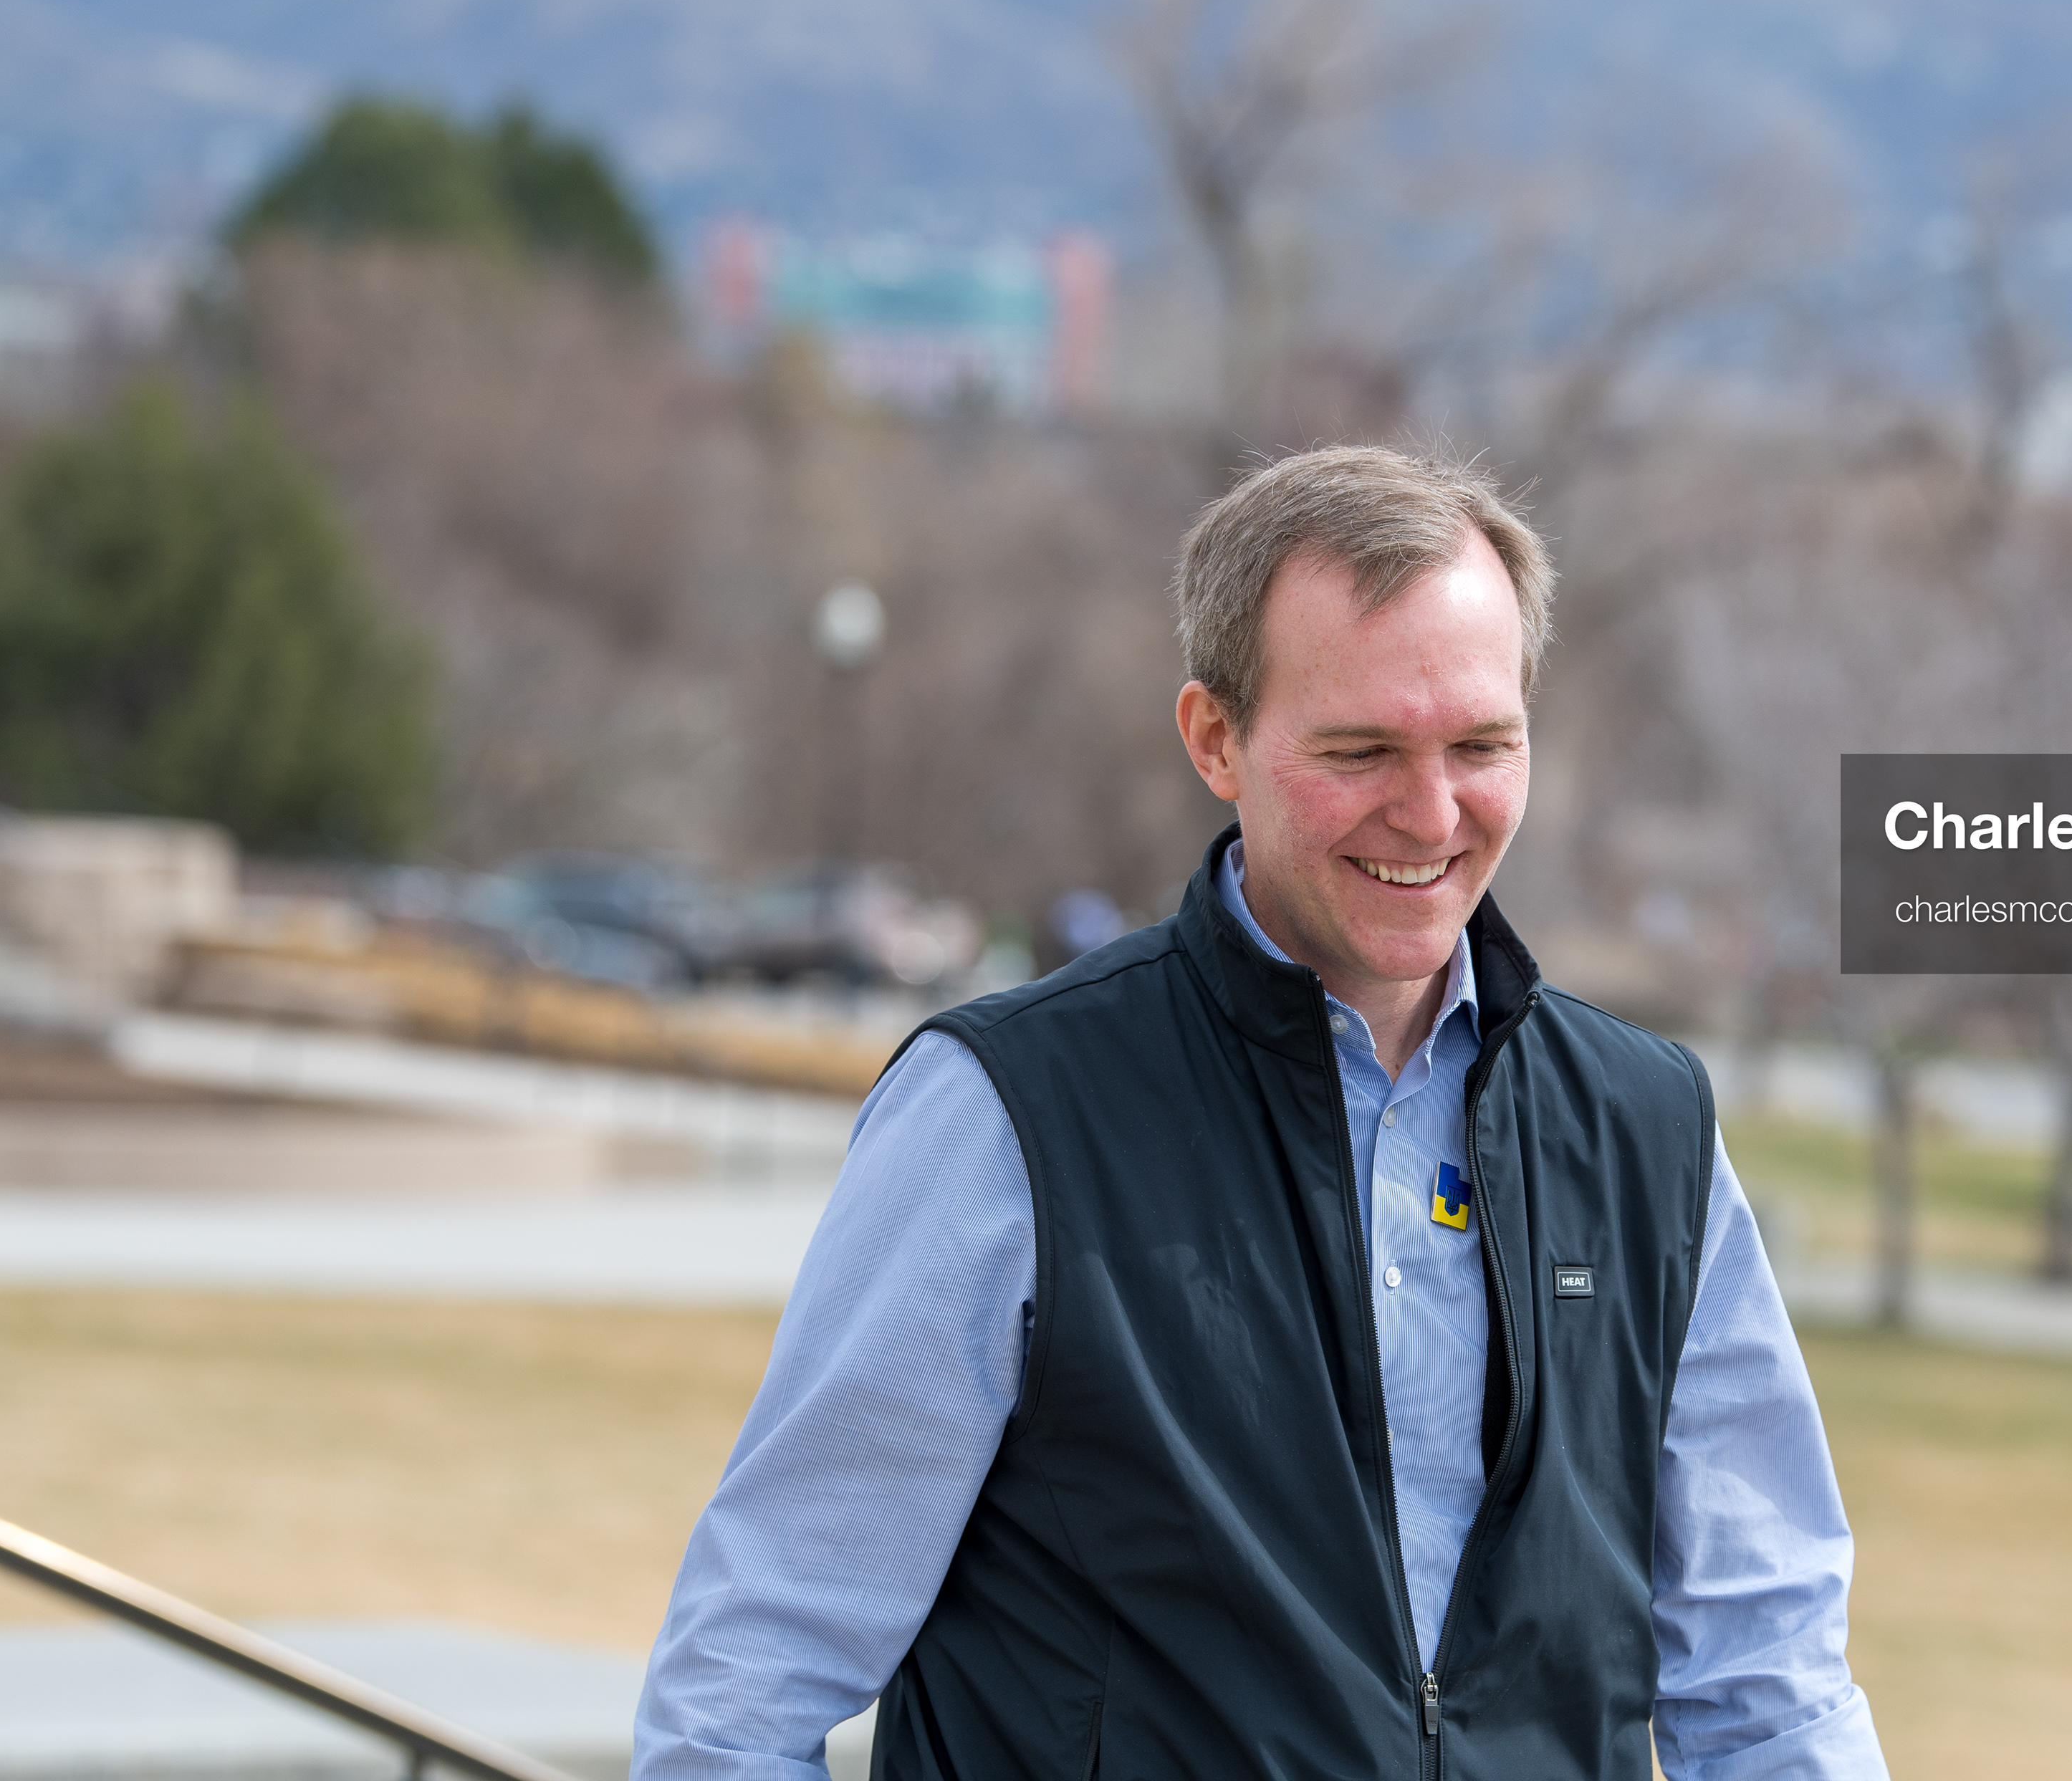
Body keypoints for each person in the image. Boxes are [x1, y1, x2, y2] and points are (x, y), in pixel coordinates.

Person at [633, 446, 1886, 1780]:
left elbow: (1769, 1687)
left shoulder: (1649, 1132)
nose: (1432, 812)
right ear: (1214, 738)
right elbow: (743, 1690)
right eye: (1362, 751)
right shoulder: (1005, 1115)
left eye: (1482, 745)